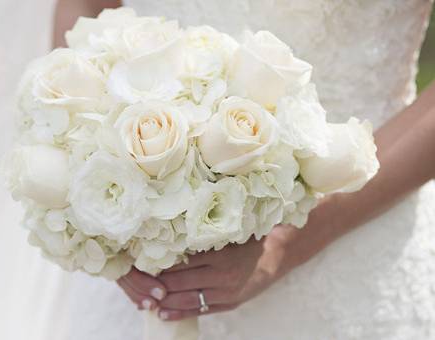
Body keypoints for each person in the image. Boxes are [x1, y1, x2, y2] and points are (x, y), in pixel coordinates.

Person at [53, 0, 435, 339]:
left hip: (357, 239)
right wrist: (102, 200)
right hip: (136, 268)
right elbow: (84, 6)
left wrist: (290, 242)